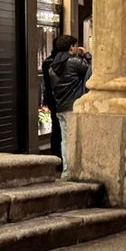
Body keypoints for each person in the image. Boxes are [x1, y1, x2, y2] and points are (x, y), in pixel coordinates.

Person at [40, 34, 91, 172]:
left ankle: (66, 170)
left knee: (65, 140)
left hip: (60, 107)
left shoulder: (52, 66)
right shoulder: (74, 62)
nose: (76, 48)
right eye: (75, 45)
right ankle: (73, 170)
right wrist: (86, 54)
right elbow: (91, 70)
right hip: (73, 106)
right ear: (71, 47)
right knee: (75, 141)